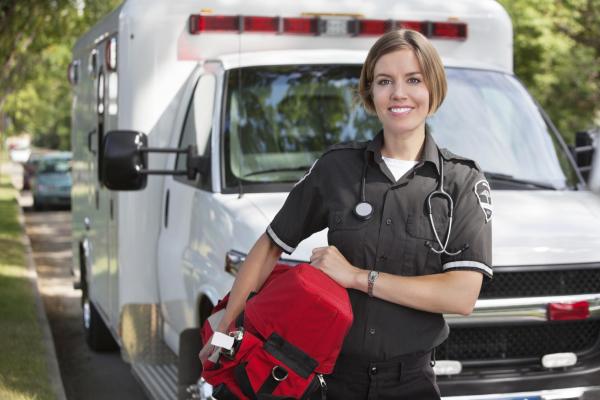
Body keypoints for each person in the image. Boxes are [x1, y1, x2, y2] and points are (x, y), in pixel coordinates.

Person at [200, 29, 493, 400]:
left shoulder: (461, 182)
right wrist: (227, 327)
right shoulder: (336, 168)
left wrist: (356, 277)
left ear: (433, 88)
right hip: (328, 380)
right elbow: (270, 245)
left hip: (411, 381)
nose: (398, 93)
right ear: (370, 92)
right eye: (384, 81)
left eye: (413, 80)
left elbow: (461, 296)